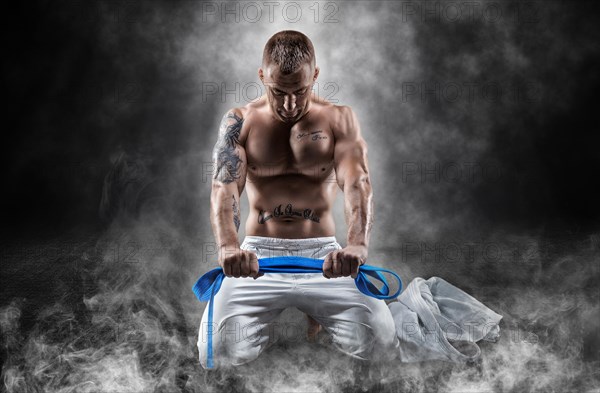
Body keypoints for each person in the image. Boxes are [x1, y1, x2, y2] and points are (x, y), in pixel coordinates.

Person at [197, 30, 400, 371]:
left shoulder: (339, 119)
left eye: (300, 91)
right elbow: (224, 188)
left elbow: (357, 181)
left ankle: (309, 310)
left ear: (315, 76)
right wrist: (228, 248)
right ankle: (284, 317)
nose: (290, 104)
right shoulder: (240, 121)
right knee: (215, 355)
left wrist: (357, 245)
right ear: (262, 76)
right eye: (278, 92)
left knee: (382, 347)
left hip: (325, 257)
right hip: (258, 258)